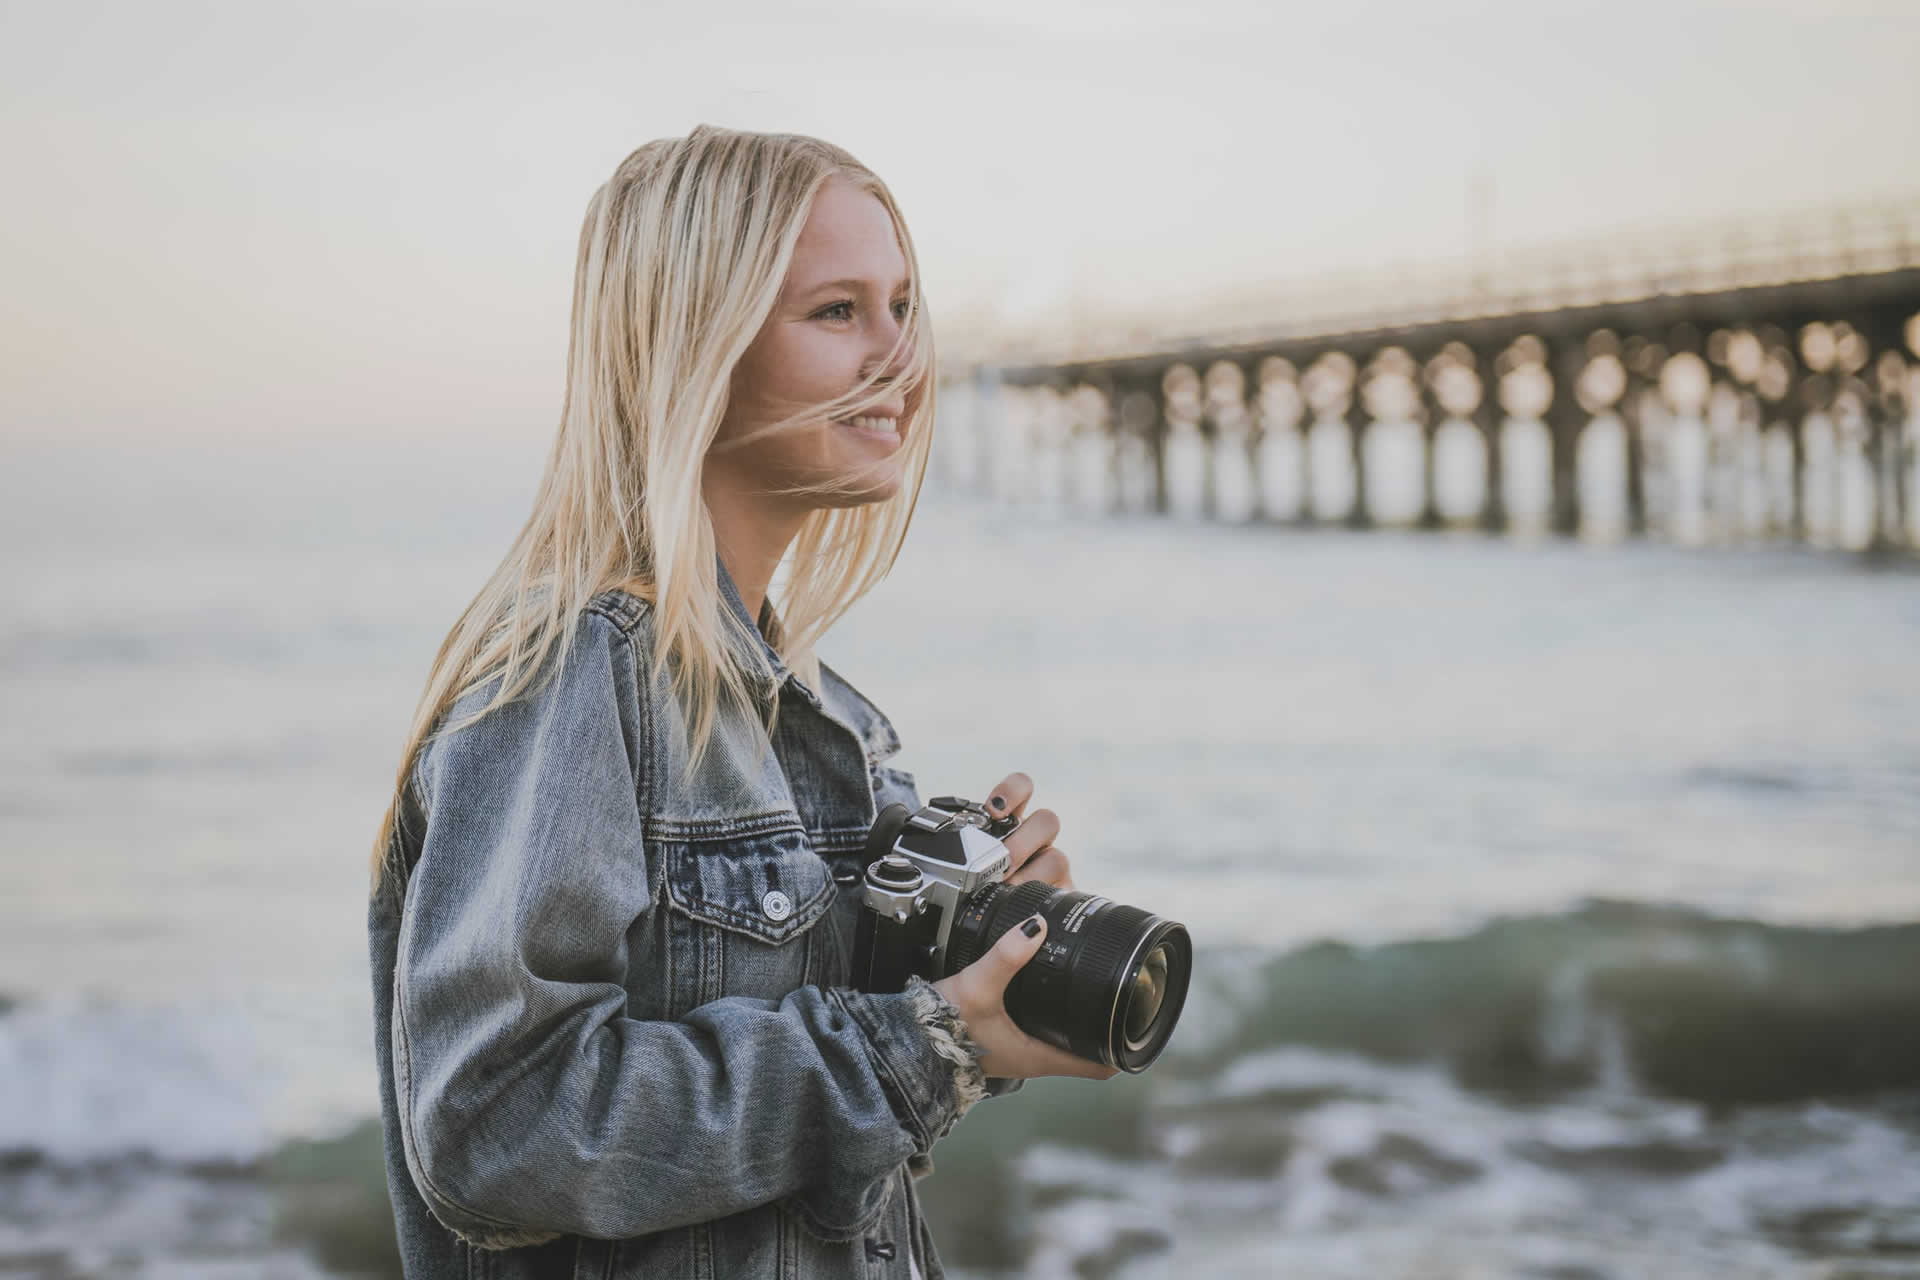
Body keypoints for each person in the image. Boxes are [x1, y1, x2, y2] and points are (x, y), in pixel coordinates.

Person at [365, 125, 1117, 1280]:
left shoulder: (825, 718)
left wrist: (975, 989)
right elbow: (496, 1126)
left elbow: (805, 1138)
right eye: (837, 311)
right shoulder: (577, 676)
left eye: (904, 307)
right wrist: (913, 1049)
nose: (902, 357)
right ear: (696, 343)